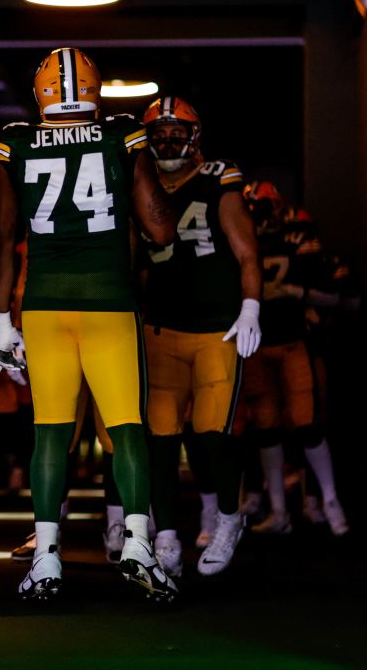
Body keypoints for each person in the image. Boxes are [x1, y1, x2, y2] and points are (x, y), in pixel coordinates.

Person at [0, 47, 178, 602]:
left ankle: (47, 557)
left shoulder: (17, 140)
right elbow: (161, 230)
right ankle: (138, 542)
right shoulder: (121, 133)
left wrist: (1, 319)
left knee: (50, 433)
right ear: (95, 90)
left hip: (44, 305)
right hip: (108, 300)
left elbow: (1, 238)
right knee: (125, 428)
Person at [138, 95, 262, 577]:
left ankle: (230, 519)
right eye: (159, 131)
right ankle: (167, 536)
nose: (168, 139)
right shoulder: (139, 184)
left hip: (216, 329)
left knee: (215, 438)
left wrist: (251, 306)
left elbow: (247, 250)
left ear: (195, 136)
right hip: (161, 328)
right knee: (162, 442)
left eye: (177, 130)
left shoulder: (217, 177)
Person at [241, 182, 349, 537]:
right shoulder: (241, 244)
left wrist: (294, 293)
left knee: (307, 423)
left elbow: (339, 295)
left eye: (263, 208)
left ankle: (329, 501)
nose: (259, 216)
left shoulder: (295, 242)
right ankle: (278, 509)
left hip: (291, 343)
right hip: (258, 347)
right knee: (266, 429)